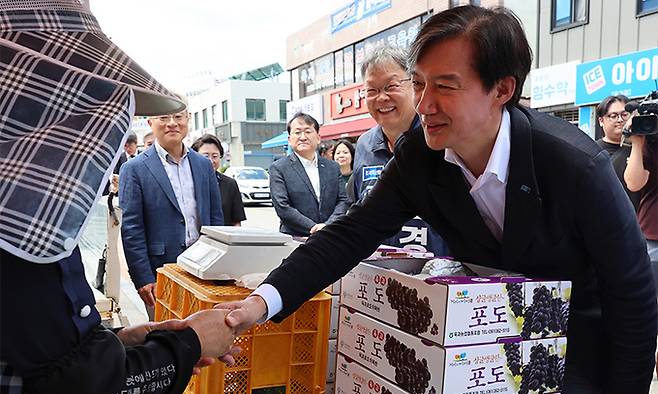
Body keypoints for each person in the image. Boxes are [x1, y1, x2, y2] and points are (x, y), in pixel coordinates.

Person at [218, 6, 657, 393]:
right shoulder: (421, 159)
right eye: (420, 84)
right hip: (480, 352)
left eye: (445, 86)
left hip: (575, 350)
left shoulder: (575, 165)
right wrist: (259, 304)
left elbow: (632, 291)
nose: (425, 104)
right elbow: (350, 234)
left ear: (502, 89)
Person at [0, 1, 237, 392]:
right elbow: (75, 382)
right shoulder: (18, 225)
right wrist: (188, 344)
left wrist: (120, 341)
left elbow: (52, 344)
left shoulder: (31, 216)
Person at [120, 110, 224, 320]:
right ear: (150, 122)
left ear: (187, 120)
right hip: (161, 272)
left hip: (203, 269)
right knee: (166, 339)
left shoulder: (203, 165)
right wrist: (143, 279)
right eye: (163, 117)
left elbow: (216, 219)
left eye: (178, 117)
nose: (172, 124)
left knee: (206, 336)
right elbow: (132, 229)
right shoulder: (134, 168)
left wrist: (219, 269)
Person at [352, 45, 449, 255]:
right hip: (382, 273)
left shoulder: (440, 136)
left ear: (415, 85)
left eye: (391, 86)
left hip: (440, 274)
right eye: (372, 90)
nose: (382, 98)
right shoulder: (364, 145)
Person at [269, 113, 349, 236]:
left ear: (318, 137)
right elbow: (282, 207)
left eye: (307, 131)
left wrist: (328, 225)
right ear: (290, 139)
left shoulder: (332, 167)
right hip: (295, 238)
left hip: (330, 237)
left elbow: (343, 200)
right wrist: (313, 228)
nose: (303, 137)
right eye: (297, 132)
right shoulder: (279, 168)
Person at [595, 95, 640, 210]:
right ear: (601, 121)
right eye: (613, 116)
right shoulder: (593, 151)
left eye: (624, 114)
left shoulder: (640, 146)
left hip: (642, 220)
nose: (620, 120)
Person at [191, 134, 247, 226]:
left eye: (215, 156)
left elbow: (236, 222)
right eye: (205, 156)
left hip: (222, 238)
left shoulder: (230, 184)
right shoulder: (188, 182)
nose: (210, 160)